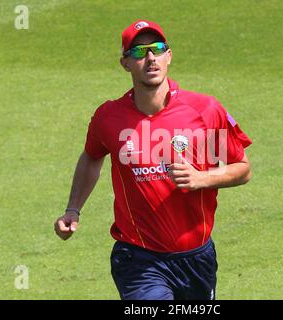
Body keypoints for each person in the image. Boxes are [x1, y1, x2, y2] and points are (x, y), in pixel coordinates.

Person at [54, 19, 253, 300]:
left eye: (157, 49)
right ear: (125, 63)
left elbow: (242, 169)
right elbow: (92, 156)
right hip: (138, 258)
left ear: (169, 56)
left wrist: (202, 178)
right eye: (139, 52)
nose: (150, 58)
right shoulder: (109, 118)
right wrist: (73, 208)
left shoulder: (204, 111)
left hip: (196, 258)